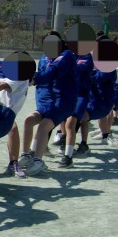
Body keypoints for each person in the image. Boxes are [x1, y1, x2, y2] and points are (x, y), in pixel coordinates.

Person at [20, 31, 77, 176]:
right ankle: (26, 156)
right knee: (28, 121)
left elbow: (52, 72)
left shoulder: (66, 56)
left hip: (63, 102)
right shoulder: (44, 58)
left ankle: (38, 161)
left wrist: (33, 80)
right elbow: (40, 76)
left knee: (43, 127)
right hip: (47, 102)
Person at [0, 54, 32, 178]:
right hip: (2, 110)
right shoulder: (17, 76)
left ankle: (12, 163)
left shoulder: (15, 75)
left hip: (2, 108)